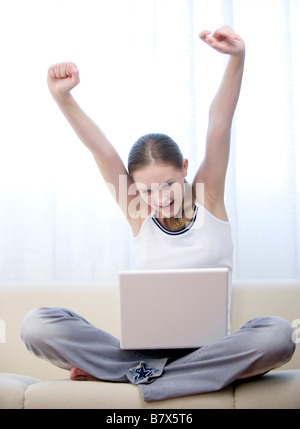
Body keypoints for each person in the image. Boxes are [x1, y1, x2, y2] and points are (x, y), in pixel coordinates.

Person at [21, 26, 295, 401]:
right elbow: (103, 153)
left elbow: (220, 123)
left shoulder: (209, 198)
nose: (159, 197)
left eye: (167, 184)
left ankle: (134, 377)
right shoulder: (138, 212)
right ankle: (165, 374)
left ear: (184, 168)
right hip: (143, 352)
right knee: (37, 325)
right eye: (147, 189)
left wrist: (237, 58)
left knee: (278, 334)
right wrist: (62, 97)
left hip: (210, 351)